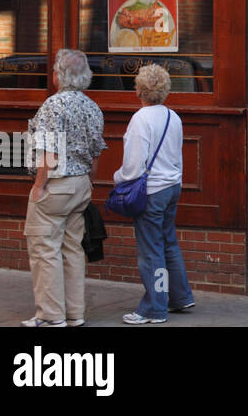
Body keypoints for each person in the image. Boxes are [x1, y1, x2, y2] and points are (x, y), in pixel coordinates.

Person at [22, 49, 107, 327]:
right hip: (81, 184)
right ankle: (75, 313)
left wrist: (38, 186)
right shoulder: (92, 107)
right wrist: (88, 183)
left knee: (44, 248)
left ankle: (50, 316)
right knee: (72, 249)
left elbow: (49, 152)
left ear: (59, 74)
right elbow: (96, 154)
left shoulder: (52, 105)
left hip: (55, 185)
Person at [114, 64, 195, 324]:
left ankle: (154, 308)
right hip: (172, 187)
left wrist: (118, 178)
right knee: (168, 241)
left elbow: (134, 165)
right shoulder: (174, 116)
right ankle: (180, 296)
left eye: (136, 84)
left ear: (140, 90)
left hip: (151, 191)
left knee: (151, 250)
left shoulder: (141, 119)